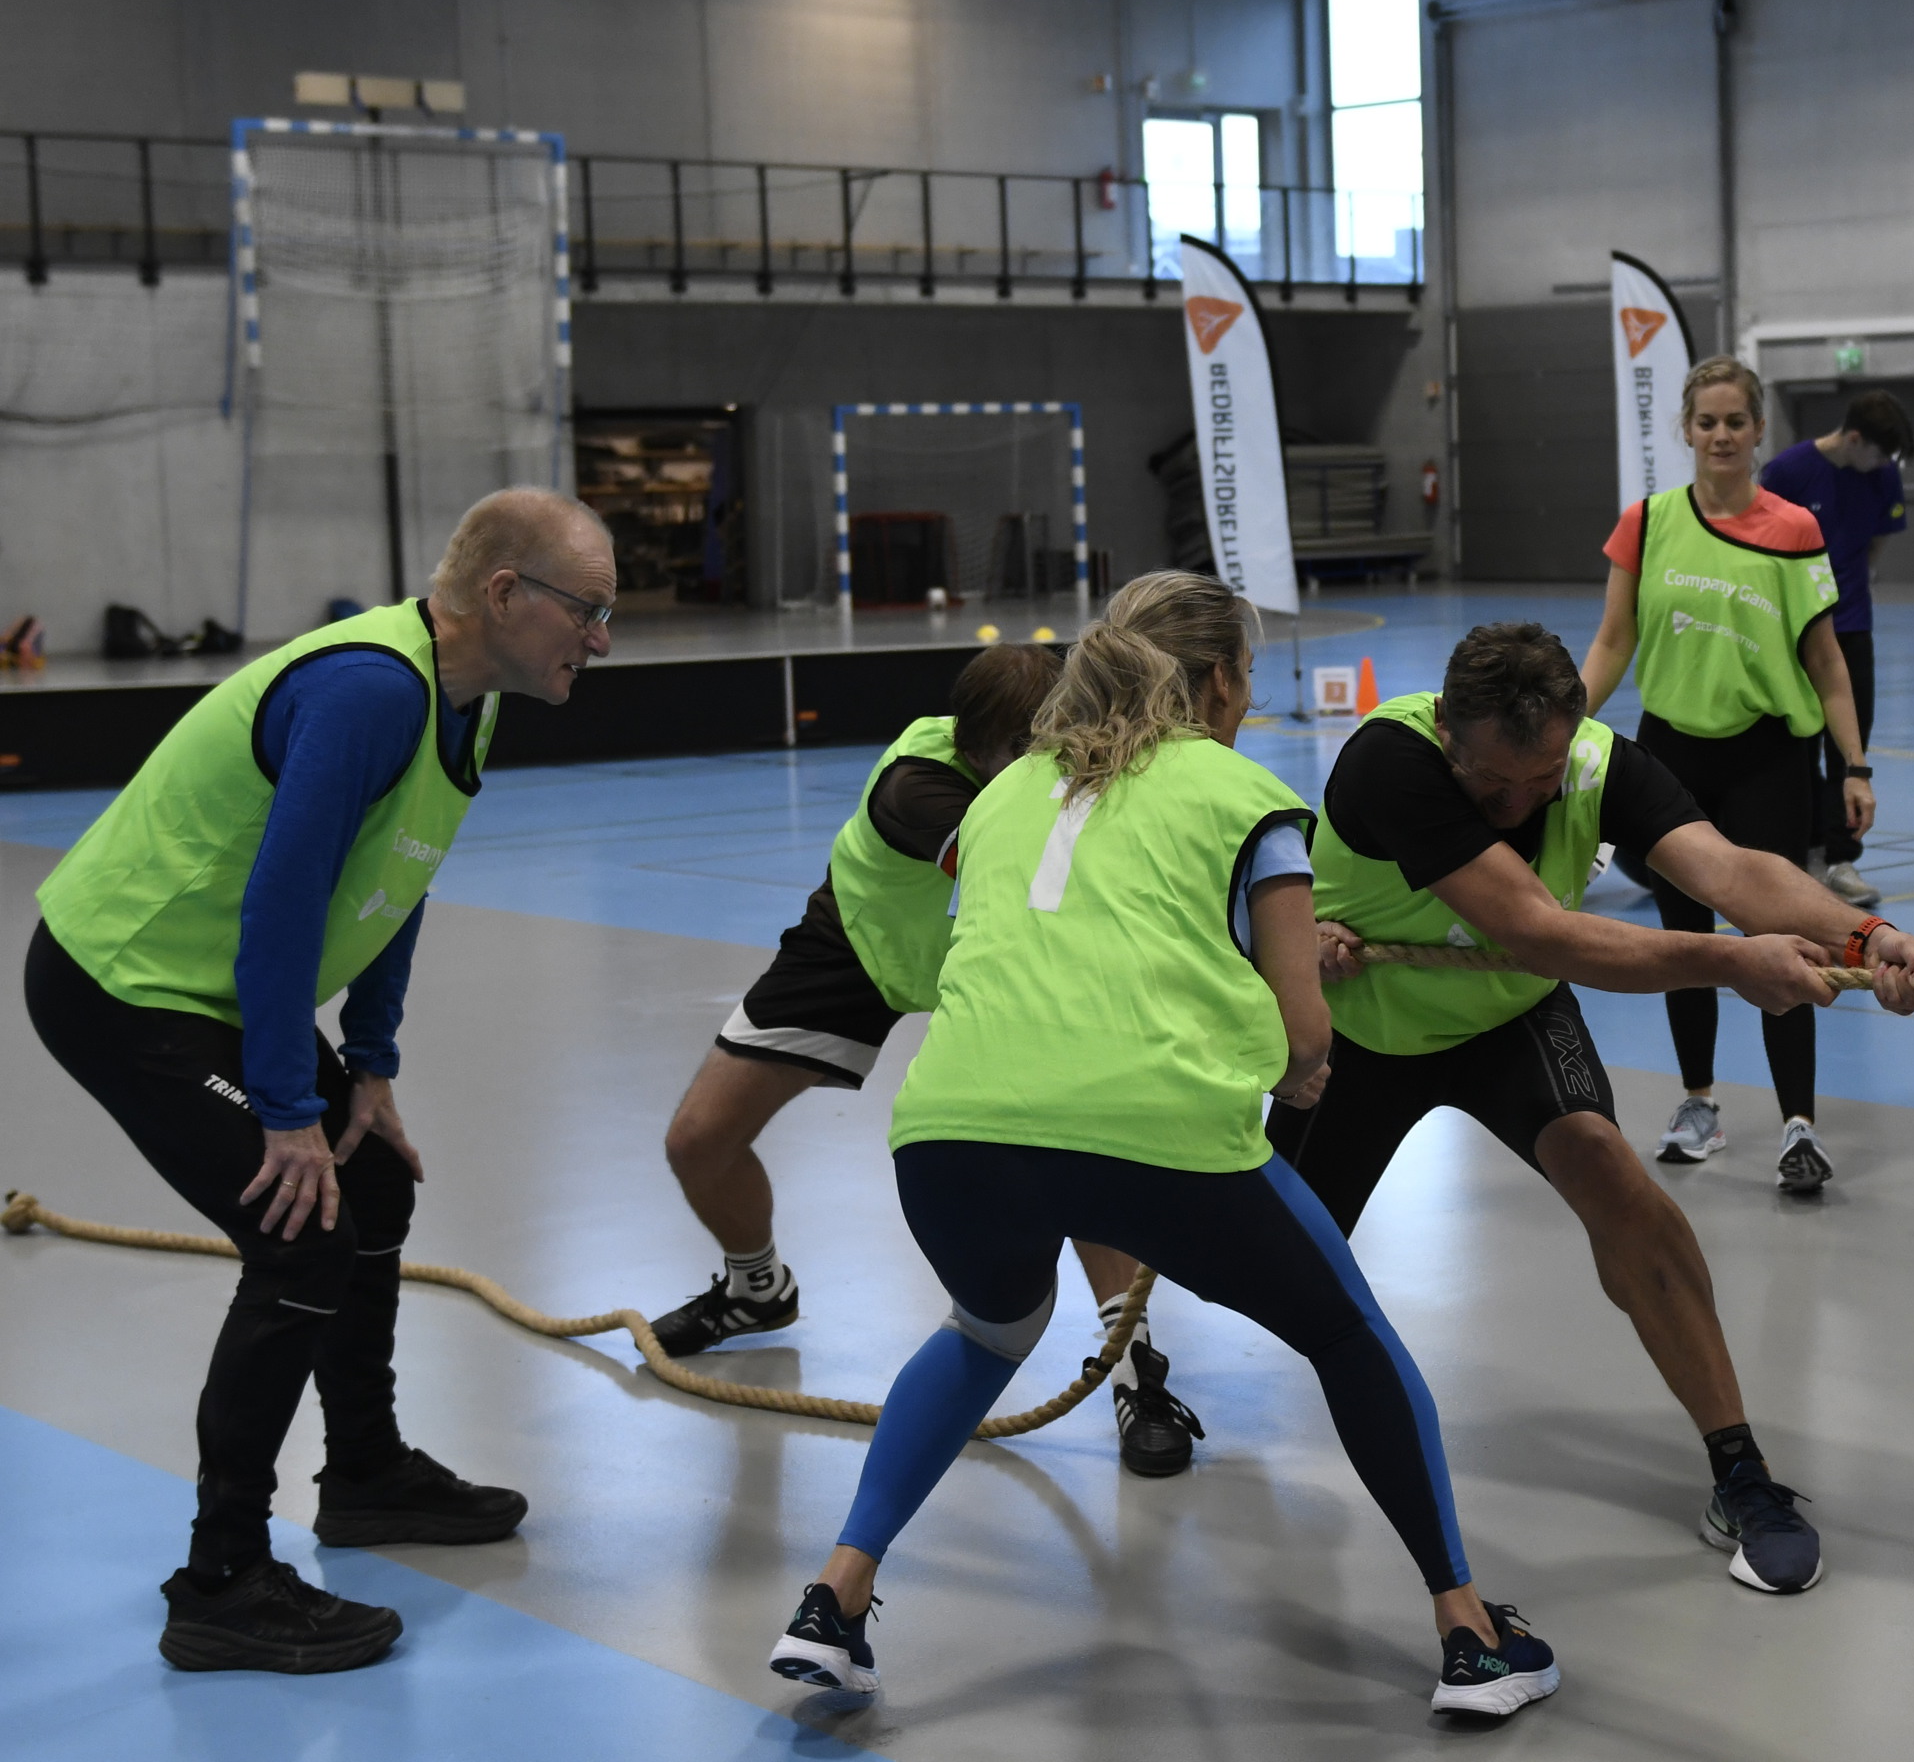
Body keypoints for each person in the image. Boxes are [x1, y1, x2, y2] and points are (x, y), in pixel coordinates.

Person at [767, 571, 1559, 1719]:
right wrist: (1293, 1063)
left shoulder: (1002, 794)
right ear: (1223, 681)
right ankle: (1472, 1634)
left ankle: (835, 1599)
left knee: (988, 1330)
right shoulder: (1247, 798)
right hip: (1155, 1134)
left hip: (948, 1131)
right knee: (1346, 1332)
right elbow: (1304, 1035)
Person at [23, 489, 616, 1673]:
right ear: (506, 595)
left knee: (373, 1183)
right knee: (299, 1234)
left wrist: (372, 1067)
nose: (601, 640)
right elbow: (285, 898)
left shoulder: (469, 701)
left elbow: (397, 878)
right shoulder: (368, 691)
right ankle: (221, 1581)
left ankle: (366, 1474)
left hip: (222, 990)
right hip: (126, 985)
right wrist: (290, 1109)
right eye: (587, 612)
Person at [1271, 620, 1914, 1595]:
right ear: (1451, 733)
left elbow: (1730, 871)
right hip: (1358, 1038)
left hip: (1506, 1016)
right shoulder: (1392, 761)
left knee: (1613, 1176)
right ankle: (1136, 1365)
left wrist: (1865, 936)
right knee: (1266, 1261)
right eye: (1491, 782)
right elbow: (1538, 929)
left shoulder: (1596, 765)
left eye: (1540, 780)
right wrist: (1731, 963)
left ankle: (1740, 1469)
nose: (1517, 804)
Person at [646, 644, 1206, 1478]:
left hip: (999, 962)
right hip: (862, 947)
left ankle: (1134, 1372)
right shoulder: (917, 786)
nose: (1041, 768)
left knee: (1076, 1142)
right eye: (1017, 754)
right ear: (976, 746)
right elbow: (1032, 870)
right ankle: (755, 1289)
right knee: (698, 1140)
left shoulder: (1069, 763)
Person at [1579, 355, 1879, 1195]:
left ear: (1757, 431)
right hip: (1670, 757)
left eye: (1735, 422)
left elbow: (1827, 663)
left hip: (1769, 761)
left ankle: (1799, 1125)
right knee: (1686, 940)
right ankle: (1699, 1104)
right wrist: (1560, 726)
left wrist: (1854, 765)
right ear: (1686, 429)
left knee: (1784, 940)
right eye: (1706, 422)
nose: (1720, 436)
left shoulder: (1795, 528)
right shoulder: (1646, 523)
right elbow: (1612, 641)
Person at [1759, 391, 1914, 910]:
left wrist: (1853, 582)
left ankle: (1841, 858)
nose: (1883, 465)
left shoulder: (1882, 475)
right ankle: (1804, 855)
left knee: (1850, 748)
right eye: (1878, 453)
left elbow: (1876, 542)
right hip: (1792, 632)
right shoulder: (1787, 473)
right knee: (1797, 748)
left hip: (1851, 627)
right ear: (1853, 439)